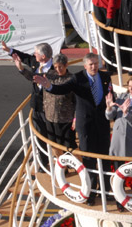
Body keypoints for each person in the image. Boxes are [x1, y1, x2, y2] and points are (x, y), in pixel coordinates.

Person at [34, 53, 114, 206]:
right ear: (85, 66)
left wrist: (111, 107)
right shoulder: (77, 78)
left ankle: (106, 190)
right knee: (89, 159)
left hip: (102, 124)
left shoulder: (105, 77)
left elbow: (110, 97)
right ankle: (91, 192)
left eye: (96, 63)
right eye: (90, 64)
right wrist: (48, 86)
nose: (94, 67)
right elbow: (62, 89)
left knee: (104, 157)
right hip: (86, 126)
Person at [2, 41, 54, 170]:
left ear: (43, 56)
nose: (34, 55)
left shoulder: (55, 68)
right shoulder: (37, 62)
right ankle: (44, 163)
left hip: (50, 109)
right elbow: (24, 57)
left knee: (53, 136)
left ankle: (62, 164)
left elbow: (36, 77)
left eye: (36, 53)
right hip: (37, 106)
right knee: (39, 136)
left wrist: (21, 69)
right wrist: (9, 50)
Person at [105, 75, 132, 210]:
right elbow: (109, 117)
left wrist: (126, 113)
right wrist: (108, 107)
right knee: (119, 173)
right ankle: (120, 201)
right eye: (130, 86)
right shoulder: (121, 98)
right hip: (118, 139)